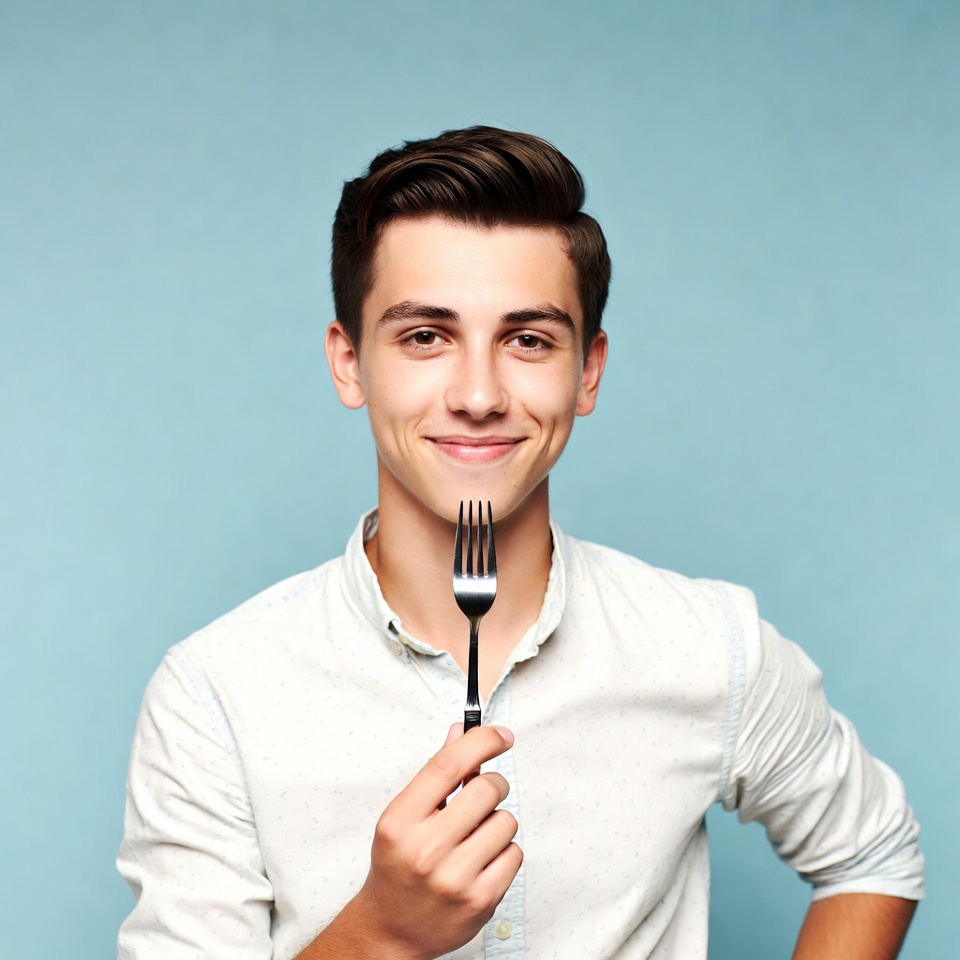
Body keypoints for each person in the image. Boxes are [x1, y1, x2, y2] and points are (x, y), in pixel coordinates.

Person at [117, 126, 924, 960]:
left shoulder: (711, 647)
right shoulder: (214, 695)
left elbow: (871, 853)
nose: (477, 394)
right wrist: (379, 935)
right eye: (425, 336)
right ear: (350, 363)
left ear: (589, 371)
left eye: (528, 339)